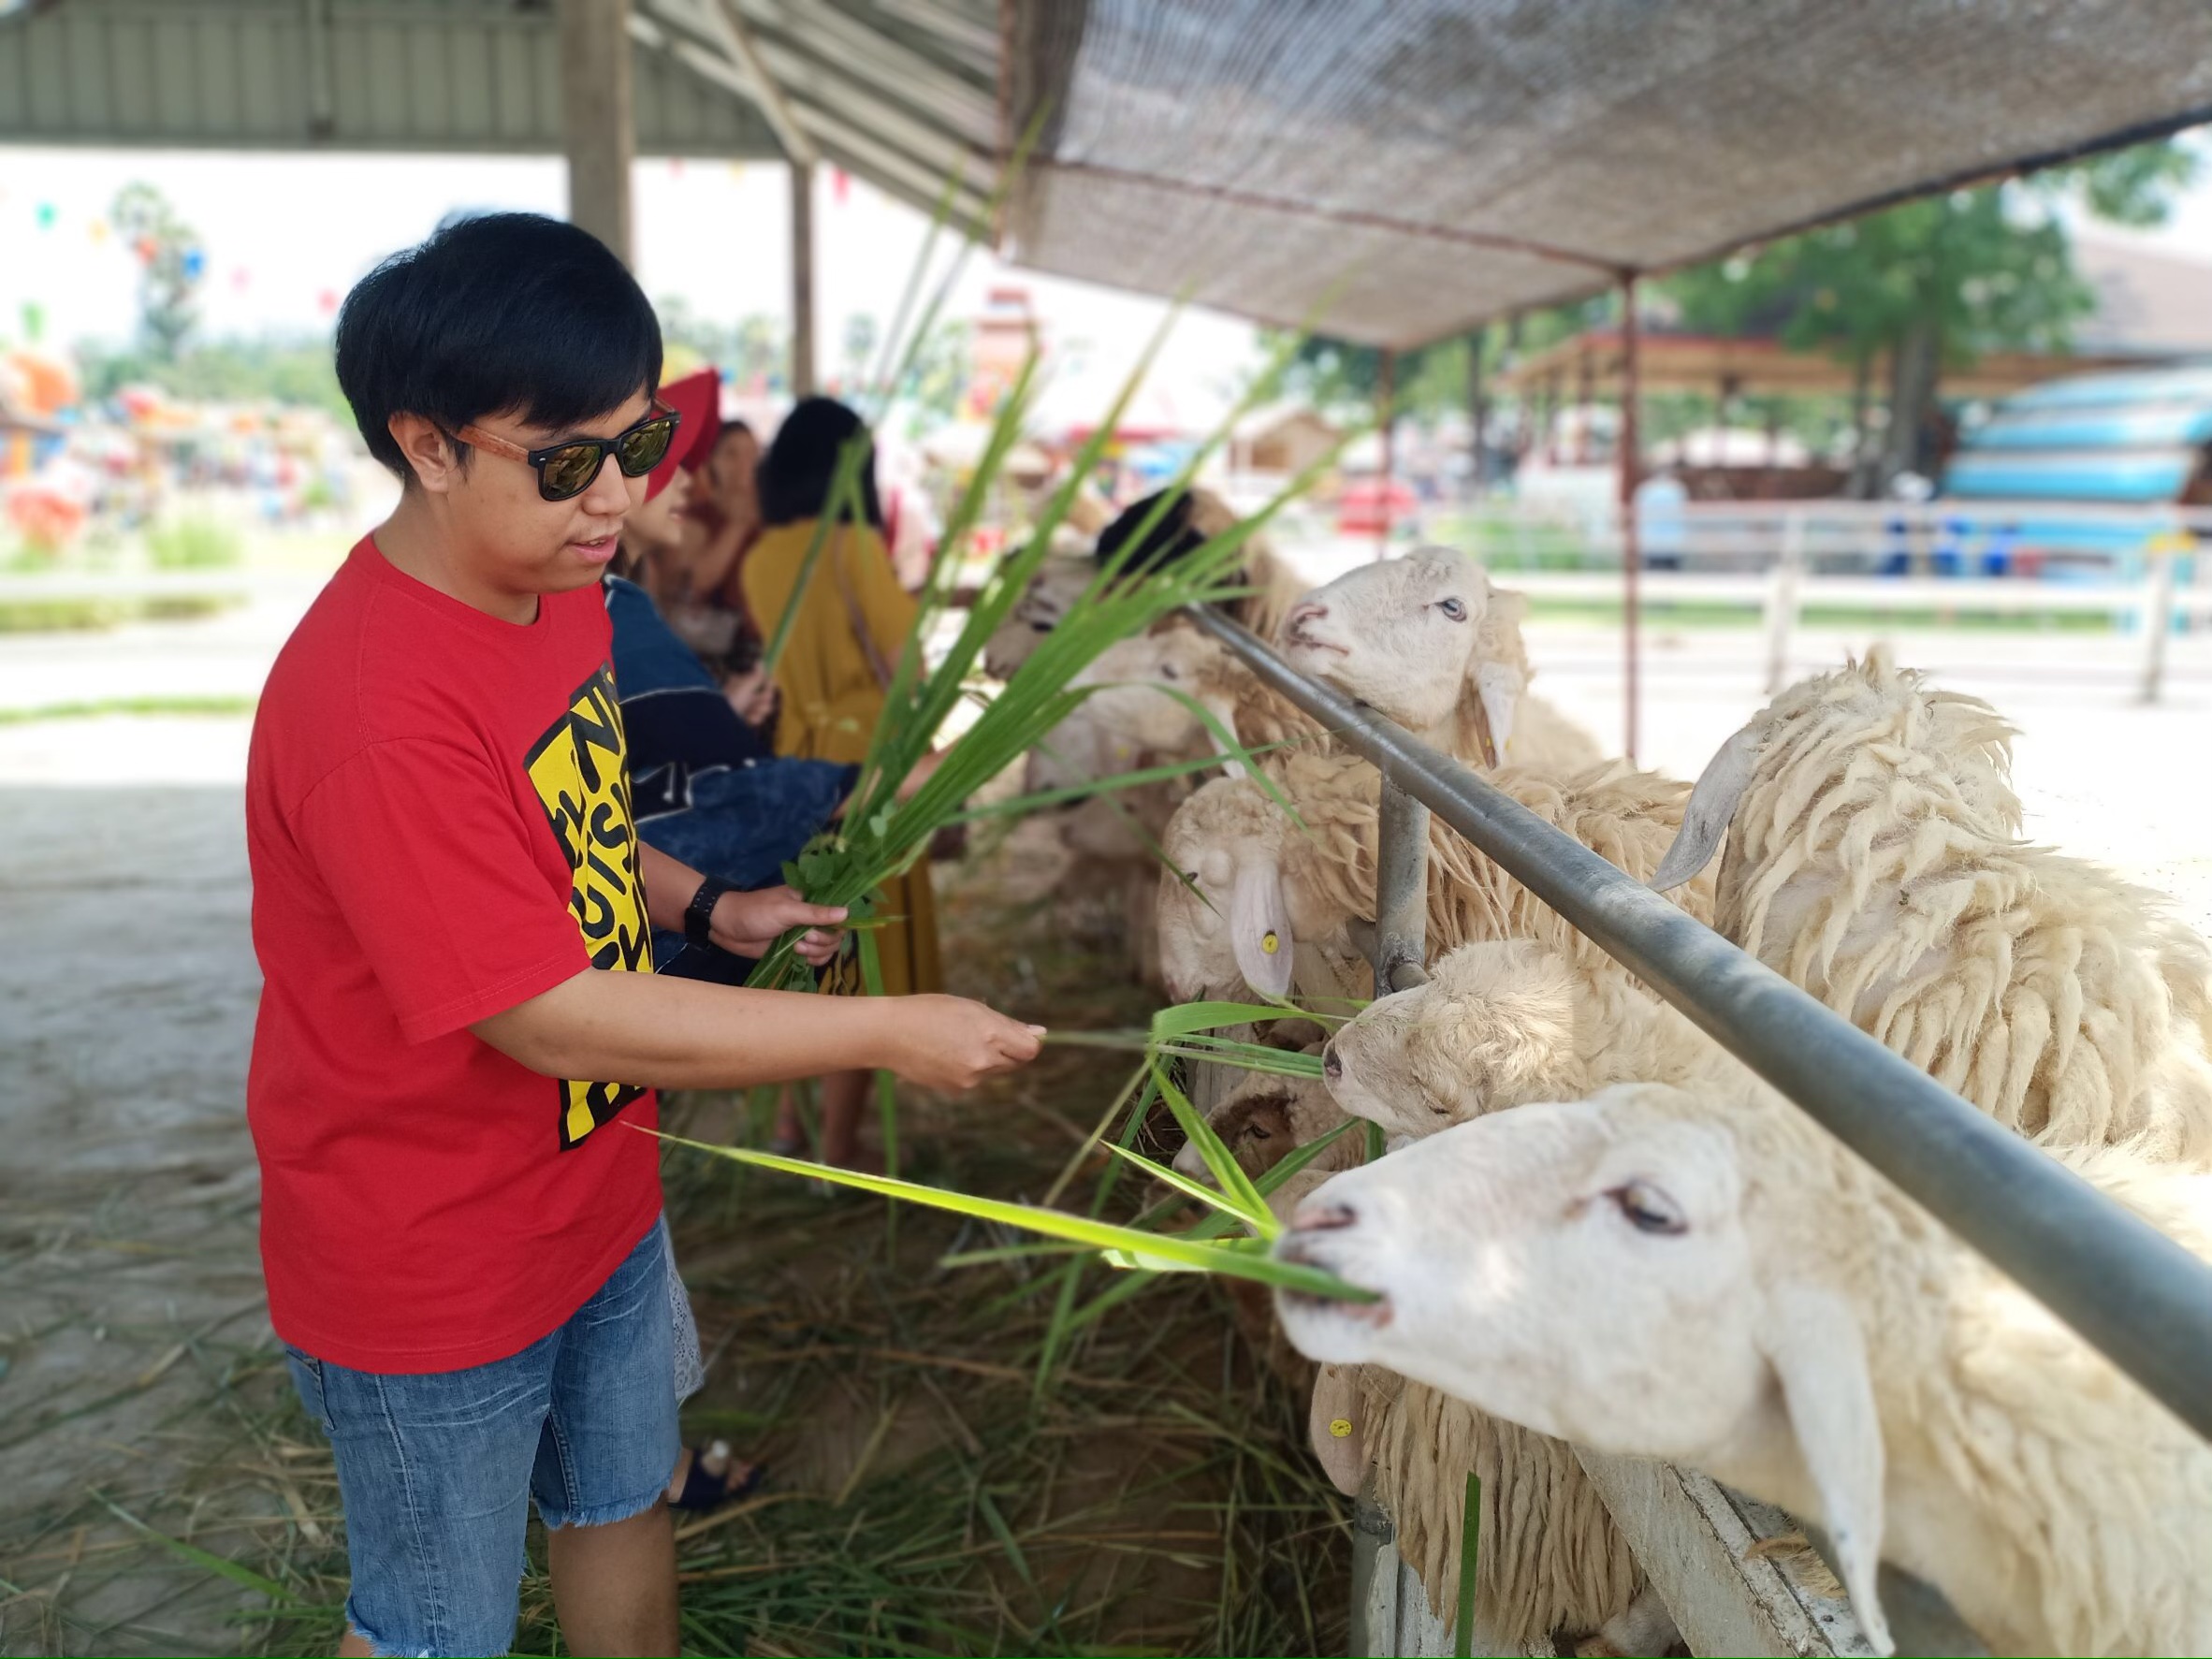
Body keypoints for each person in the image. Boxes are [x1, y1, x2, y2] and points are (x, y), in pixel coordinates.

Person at [246, 212, 1041, 1659]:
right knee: (432, 1627)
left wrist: (710, 904)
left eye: (641, 439)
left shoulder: (558, 592)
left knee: (622, 1499)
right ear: (428, 447)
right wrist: (880, 1027)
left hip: (596, 1192)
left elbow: (578, 827)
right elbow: (545, 1013)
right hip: (434, 1254)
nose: (620, 495)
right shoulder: (374, 712)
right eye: (569, 462)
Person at [740, 397, 940, 1171]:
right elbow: (908, 668)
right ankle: (839, 1150)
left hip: (798, 758)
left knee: (803, 941)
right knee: (858, 959)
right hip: (867, 768)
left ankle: (790, 1125)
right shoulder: (854, 548)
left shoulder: (762, 556)